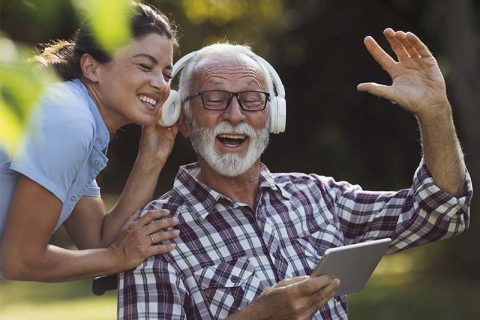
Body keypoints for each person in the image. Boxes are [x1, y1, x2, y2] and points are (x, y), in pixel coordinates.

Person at [118, 28, 472, 319]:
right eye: (214, 99)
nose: (235, 114)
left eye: (252, 99)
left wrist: (435, 112)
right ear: (181, 117)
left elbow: (440, 214)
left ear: (273, 117)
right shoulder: (153, 236)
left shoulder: (316, 195)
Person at [0, 2, 181, 281]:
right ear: (91, 68)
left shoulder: (81, 120)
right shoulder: (71, 120)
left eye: (166, 75)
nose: (161, 84)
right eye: (146, 66)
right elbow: (21, 259)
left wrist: (152, 157)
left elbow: (97, 242)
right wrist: (118, 257)